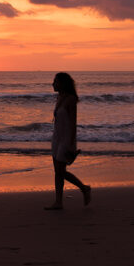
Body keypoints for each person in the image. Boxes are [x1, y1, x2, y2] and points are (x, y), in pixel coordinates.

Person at [45, 72, 91, 210]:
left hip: (66, 139)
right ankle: (58, 202)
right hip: (57, 138)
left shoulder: (71, 99)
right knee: (57, 171)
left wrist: (71, 144)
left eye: (55, 81)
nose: (53, 84)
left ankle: (84, 188)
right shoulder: (59, 97)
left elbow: (73, 122)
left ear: (62, 83)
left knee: (60, 171)